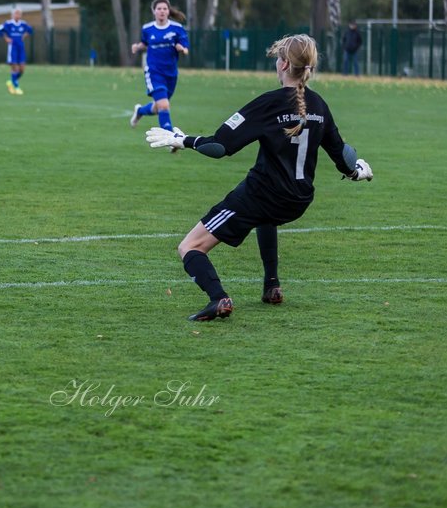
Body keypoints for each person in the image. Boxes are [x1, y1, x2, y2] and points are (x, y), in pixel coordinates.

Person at [146, 34, 374, 321]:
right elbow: (343, 157)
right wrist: (358, 172)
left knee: (189, 247)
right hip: (298, 200)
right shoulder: (319, 105)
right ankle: (272, 286)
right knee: (267, 216)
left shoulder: (268, 104)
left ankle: (219, 298)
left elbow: (220, 147)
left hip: (261, 195)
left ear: (284, 64)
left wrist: (182, 140)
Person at [129, 0, 190, 131]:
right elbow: (145, 43)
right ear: (154, 11)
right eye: (159, 9)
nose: (162, 11)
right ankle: (169, 138)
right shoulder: (147, 28)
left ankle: (140, 111)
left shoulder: (177, 28)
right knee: (164, 105)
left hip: (171, 74)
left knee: (159, 107)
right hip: (154, 72)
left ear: (168, 11)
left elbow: (185, 47)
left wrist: (182, 49)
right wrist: (138, 47)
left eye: (164, 8)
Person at [0, 7, 34, 95]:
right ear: (12, 15)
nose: (18, 15)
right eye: (16, 13)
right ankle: (16, 88)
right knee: (15, 68)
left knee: (22, 69)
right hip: (12, 48)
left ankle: (11, 82)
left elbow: (30, 30)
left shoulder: (23, 24)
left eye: (19, 14)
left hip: (21, 48)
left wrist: (25, 35)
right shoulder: (8, 24)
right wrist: (6, 38)